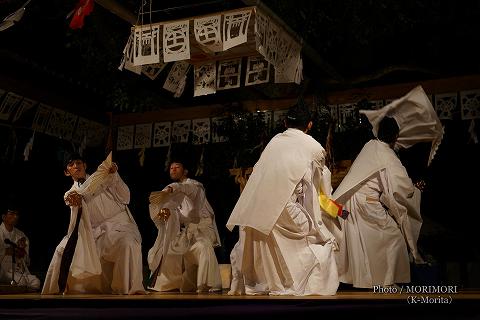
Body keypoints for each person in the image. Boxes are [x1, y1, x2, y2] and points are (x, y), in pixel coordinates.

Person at [226, 100, 342, 296]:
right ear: (310, 125)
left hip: (252, 209)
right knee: (319, 240)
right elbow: (313, 192)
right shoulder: (314, 147)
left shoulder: (274, 142)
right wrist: (318, 225)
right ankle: (300, 283)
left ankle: (264, 282)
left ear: (286, 123)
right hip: (282, 209)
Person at [333, 117, 424, 288]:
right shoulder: (388, 156)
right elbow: (402, 189)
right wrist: (415, 189)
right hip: (366, 204)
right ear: (396, 136)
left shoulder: (370, 146)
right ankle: (386, 282)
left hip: (350, 203)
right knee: (394, 239)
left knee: (366, 243)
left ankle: (372, 281)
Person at [42, 152, 145, 295]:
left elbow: (125, 197)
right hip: (94, 230)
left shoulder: (103, 177)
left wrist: (115, 175)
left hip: (119, 224)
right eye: (71, 164)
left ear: (85, 165)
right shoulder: (71, 192)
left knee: (128, 243)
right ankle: (58, 290)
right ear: (67, 172)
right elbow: (70, 200)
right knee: (61, 249)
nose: (76, 166)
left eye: (78, 163)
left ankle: (127, 290)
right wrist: (74, 200)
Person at [147, 157, 222, 293]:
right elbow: (168, 216)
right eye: (171, 167)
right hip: (187, 232)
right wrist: (163, 213)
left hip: (201, 229)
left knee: (203, 247)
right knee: (166, 246)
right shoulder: (174, 197)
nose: (173, 169)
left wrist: (173, 188)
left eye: (177, 167)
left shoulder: (193, 185)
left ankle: (207, 284)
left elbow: (187, 191)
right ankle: (169, 285)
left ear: (185, 171)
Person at [0, 208, 41, 290]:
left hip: (18, 269)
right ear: (4, 217)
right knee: (21, 281)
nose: (15, 217)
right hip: (3, 269)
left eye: (16, 214)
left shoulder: (21, 234)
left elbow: (25, 259)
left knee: (36, 282)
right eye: (11, 214)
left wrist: (22, 250)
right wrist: (6, 251)